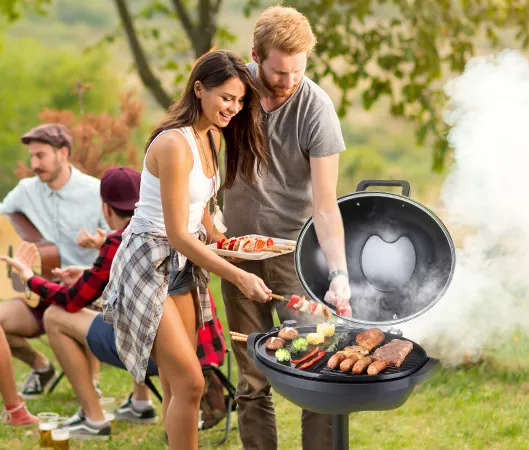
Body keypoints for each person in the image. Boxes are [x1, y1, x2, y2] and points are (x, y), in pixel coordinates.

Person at [101, 49, 272, 450]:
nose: (233, 108)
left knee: (180, 385)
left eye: (240, 100)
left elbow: (203, 209)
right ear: (199, 89)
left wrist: (224, 240)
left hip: (181, 266)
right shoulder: (174, 145)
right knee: (193, 382)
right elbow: (177, 234)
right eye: (225, 97)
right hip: (149, 262)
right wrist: (238, 275)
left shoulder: (210, 135)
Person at [220, 6, 352, 450]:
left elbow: (325, 202)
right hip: (236, 255)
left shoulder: (315, 107)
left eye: (299, 69)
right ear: (255, 55)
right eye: (279, 71)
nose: (290, 80)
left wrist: (338, 275)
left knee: (316, 371)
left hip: (296, 257)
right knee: (252, 380)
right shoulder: (231, 96)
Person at [0, 166, 151, 439]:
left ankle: (93, 419)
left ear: (106, 209)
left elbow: (72, 300)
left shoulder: (117, 242)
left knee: (56, 316)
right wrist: (84, 271)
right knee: (136, 309)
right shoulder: (158, 231)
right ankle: (141, 404)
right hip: (185, 348)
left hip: (147, 351)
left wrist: (28, 277)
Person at [0, 123, 109, 398]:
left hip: (83, 290)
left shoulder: (95, 191)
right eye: (32, 157)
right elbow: (2, 220)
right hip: (37, 289)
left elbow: (119, 239)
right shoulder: (26, 190)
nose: (34, 164)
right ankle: (40, 365)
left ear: (63, 153)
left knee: (77, 310)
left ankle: (91, 383)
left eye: (41, 156)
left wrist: (100, 241)